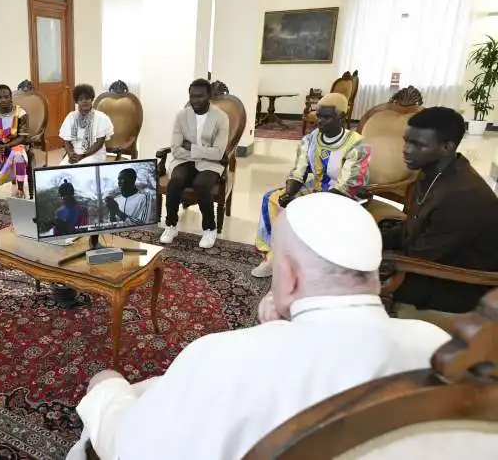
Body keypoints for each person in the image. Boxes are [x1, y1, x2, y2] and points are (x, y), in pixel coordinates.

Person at [68, 193, 450, 460]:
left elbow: (136, 449)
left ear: (288, 274)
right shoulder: (439, 346)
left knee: (109, 385)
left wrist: (107, 391)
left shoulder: (220, 357)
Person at [381, 107, 498, 313]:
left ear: (447, 147)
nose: (406, 149)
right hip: (434, 258)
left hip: (459, 284)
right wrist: (374, 238)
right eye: (407, 140)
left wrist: (373, 257)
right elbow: (415, 227)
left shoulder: (463, 196)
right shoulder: (434, 170)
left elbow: (418, 258)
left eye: (418, 144)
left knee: (350, 277)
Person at [252, 92, 371, 277]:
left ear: (342, 117)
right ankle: (275, 257)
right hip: (315, 188)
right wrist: (289, 194)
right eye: (319, 116)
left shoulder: (357, 144)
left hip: (345, 197)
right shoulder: (310, 139)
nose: (320, 121)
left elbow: (348, 185)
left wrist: (306, 203)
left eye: (326, 117)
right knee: (272, 199)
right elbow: (299, 171)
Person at [159, 78, 229, 250]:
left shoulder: (221, 117)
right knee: (175, 182)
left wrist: (192, 147)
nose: (196, 100)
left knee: (202, 184)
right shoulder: (181, 115)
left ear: (209, 96)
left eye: (200, 96)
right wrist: (204, 151)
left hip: (211, 164)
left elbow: (219, 152)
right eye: (192, 96)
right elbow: (176, 149)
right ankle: (171, 225)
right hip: (184, 160)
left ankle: (209, 228)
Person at [59, 84, 114, 166]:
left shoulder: (101, 117)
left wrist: (82, 156)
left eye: (87, 98)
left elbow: (99, 143)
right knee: (62, 167)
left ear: (92, 99)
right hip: (75, 154)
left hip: (94, 154)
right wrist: (71, 154)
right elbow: (67, 141)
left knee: (81, 167)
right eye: (81, 99)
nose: (84, 101)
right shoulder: (71, 117)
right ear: (76, 101)